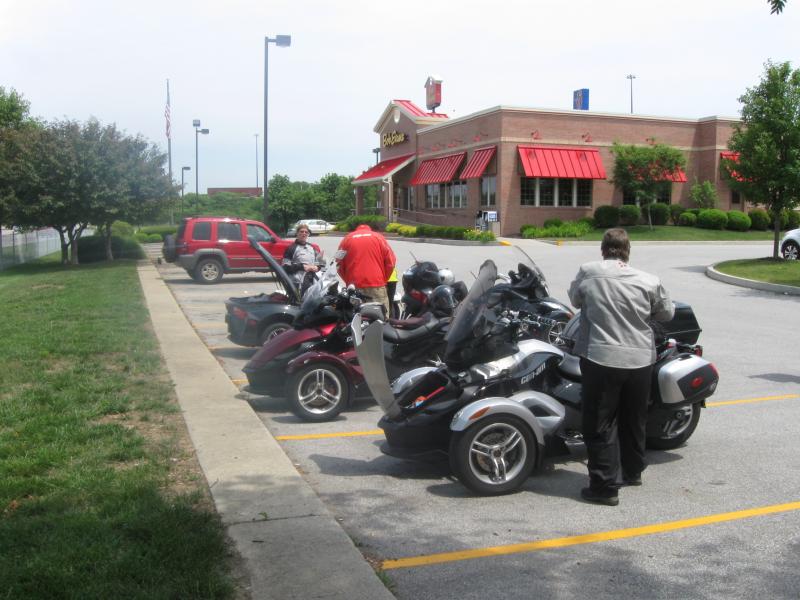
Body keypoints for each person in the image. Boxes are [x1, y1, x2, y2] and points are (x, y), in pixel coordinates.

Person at [567, 228, 674, 507]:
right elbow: (667, 312)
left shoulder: (588, 272)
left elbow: (575, 300)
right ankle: (632, 471)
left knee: (600, 423)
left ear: (603, 249)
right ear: (628, 250)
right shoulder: (648, 280)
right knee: (634, 417)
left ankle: (604, 488)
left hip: (600, 358)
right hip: (640, 360)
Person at [336, 223, 396, 316]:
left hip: (354, 286)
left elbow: (338, 263)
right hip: (376, 284)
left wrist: (349, 281)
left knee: (356, 319)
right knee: (381, 318)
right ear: (370, 230)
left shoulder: (346, 239)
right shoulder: (379, 237)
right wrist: (384, 279)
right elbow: (391, 262)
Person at [282, 223, 323, 296]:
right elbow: (285, 267)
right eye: (301, 231)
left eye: (306, 232)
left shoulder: (312, 247)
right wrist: (302, 266)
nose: (304, 233)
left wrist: (317, 267)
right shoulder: (291, 248)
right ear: (297, 233)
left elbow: (320, 263)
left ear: (308, 234)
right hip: (297, 283)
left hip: (312, 281)